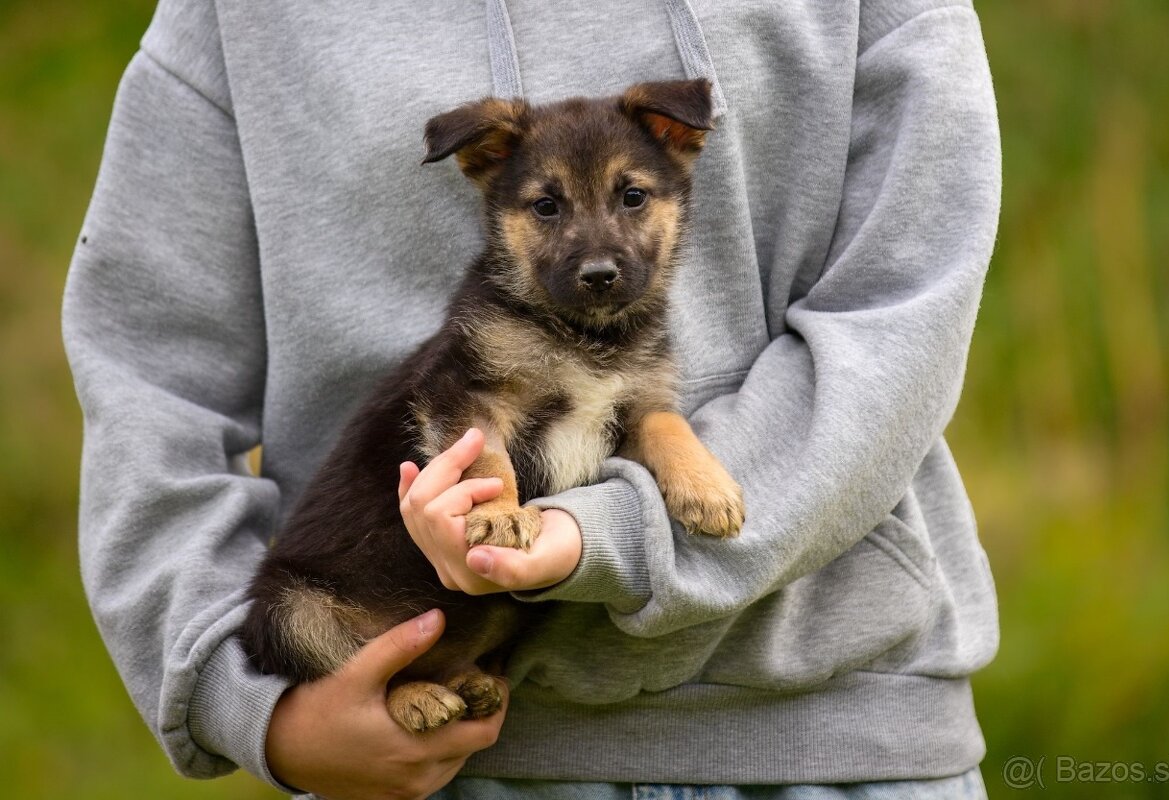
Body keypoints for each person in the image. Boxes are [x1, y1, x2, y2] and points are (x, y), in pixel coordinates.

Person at [63, 0, 1001, 798]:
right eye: (548, 210)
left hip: (847, 741)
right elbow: (148, 366)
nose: (598, 247)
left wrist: (620, 526)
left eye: (633, 200)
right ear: (495, 188)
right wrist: (258, 712)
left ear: (681, 153)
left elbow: (905, 304)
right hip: (427, 766)